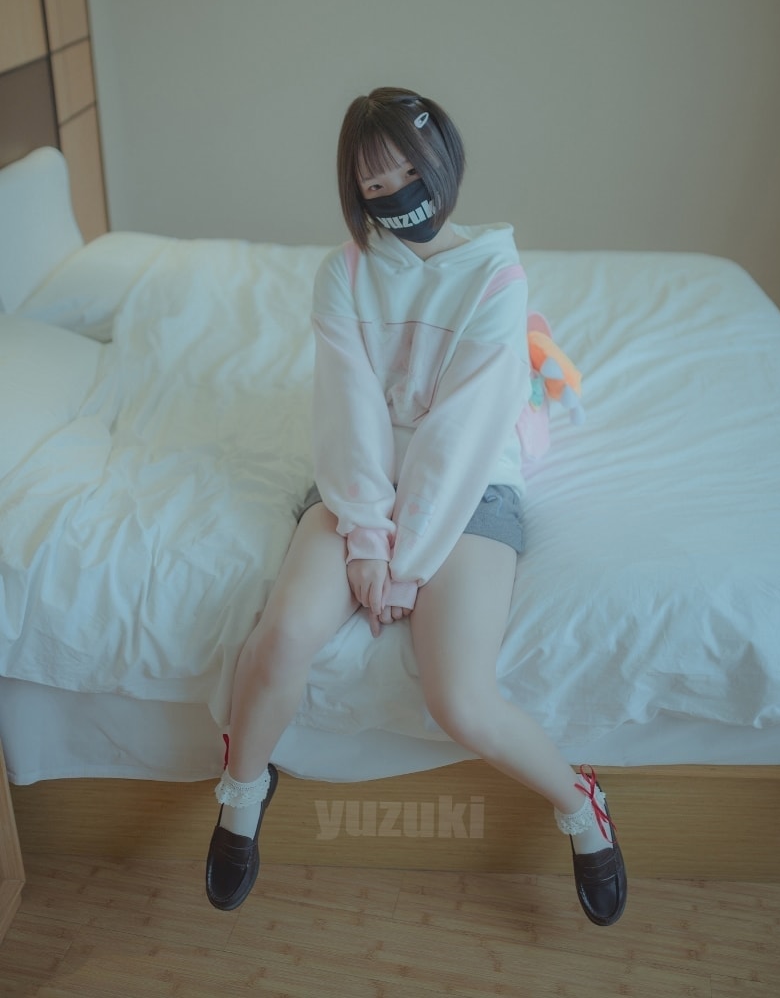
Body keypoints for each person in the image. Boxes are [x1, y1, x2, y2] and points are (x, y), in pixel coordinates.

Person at [205, 86, 627, 925]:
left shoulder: (496, 277)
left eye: (409, 170)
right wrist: (366, 537)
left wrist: (405, 561)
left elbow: (460, 435)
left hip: (471, 486)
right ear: (354, 194)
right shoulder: (344, 274)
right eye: (374, 184)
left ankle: (581, 806)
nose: (397, 192)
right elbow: (349, 412)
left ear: (444, 162)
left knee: (458, 699)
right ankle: (242, 793)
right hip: (362, 486)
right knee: (281, 637)